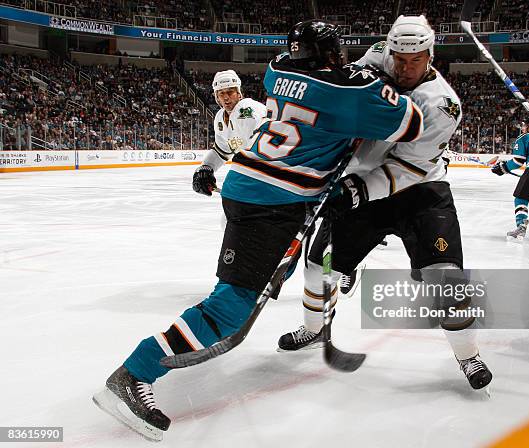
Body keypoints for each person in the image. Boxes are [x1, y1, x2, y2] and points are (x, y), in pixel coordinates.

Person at [92, 19, 424, 441]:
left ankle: (240, 296)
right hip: (273, 201)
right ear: (331, 55)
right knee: (230, 308)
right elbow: (410, 122)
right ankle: (134, 373)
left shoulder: (277, 69)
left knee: (266, 279)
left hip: (253, 189)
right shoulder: (347, 91)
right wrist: (376, 70)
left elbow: (329, 88)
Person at [277, 15, 493, 391]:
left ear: (430, 54)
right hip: (361, 182)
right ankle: (313, 329)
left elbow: (409, 167)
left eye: (416, 60)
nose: (406, 68)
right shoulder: (378, 56)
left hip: (419, 192)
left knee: (444, 280)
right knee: (317, 268)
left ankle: (468, 354)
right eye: (399, 59)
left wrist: (357, 191)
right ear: (390, 49)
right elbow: (343, 87)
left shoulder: (442, 105)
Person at [192, 70, 268, 197]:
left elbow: (257, 152)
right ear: (217, 98)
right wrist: (206, 168)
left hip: (268, 175)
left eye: (230, 92)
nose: (226, 97)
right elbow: (221, 151)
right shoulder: (220, 117)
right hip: (256, 176)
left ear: (239, 93)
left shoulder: (247, 110)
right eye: (221, 93)